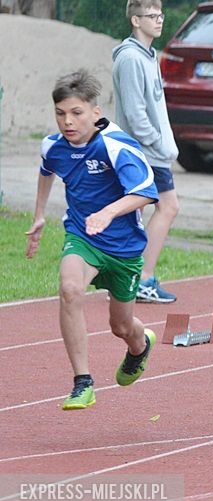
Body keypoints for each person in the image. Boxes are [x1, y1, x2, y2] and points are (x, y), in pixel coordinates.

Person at [25, 69, 160, 410]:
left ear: (95, 112)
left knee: (121, 325)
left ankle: (140, 344)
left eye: (76, 113)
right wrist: (39, 214)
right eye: (60, 114)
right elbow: (46, 170)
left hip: (124, 247)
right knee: (70, 289)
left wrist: (109, 212)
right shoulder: (53, 146)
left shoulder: (116, 146)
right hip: (82, 236)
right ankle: (82, 381)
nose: (67, 122)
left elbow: (146, 192)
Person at [112, 0, 179, 303]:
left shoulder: (148, 56)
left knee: (135, 213)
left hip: (153, 152)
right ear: (135, 21)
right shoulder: (130, 58)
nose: (159, 20)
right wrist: (159, 143)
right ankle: (142, 278)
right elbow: (135, 113)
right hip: (144, 152)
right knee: (167, 207)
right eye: (151, 16)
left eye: (160, 14)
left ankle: (128, 276)